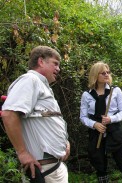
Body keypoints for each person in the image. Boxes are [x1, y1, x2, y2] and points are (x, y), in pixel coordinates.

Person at [1, 46, 70, 183]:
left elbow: (46, 122)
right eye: (55, 64)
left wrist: (65, 143)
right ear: (41, 61)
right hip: (44, 169)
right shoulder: (30, 80)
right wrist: (22, 152)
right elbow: (8, 114)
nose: (58, 69)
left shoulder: (43, 86)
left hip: (54, 167)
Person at [79, 62, 122, 183]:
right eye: (103, 73)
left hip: (114, 130)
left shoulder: (115, 91)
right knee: (99, 164)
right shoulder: (86, 95)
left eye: (108, 72)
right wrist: (94, 124)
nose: (106, 74)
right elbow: (83, 117)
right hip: (96, 133)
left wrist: (111, 119)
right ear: (95, 75)